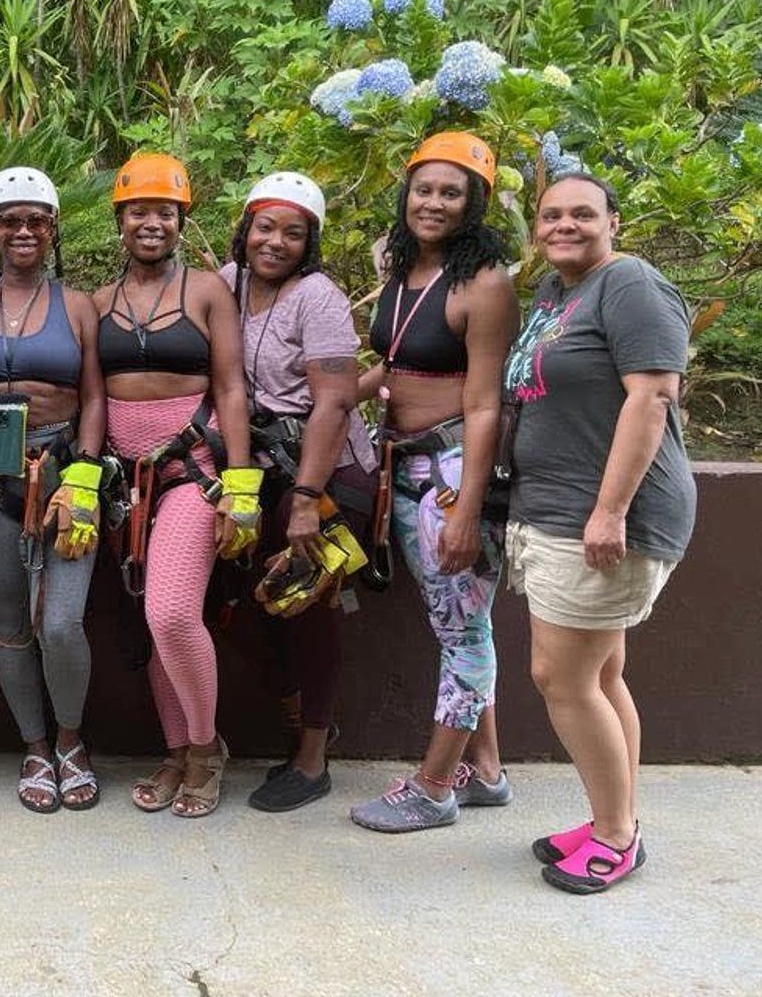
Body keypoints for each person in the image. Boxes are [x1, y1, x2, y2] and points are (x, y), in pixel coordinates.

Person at [504, 173, 695, 893]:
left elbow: (650, 398)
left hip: (606, 516)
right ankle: (613, 818)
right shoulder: (557, 295)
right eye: (551, 215)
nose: (564, 225)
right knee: (602, 675)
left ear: (614, 219)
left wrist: (610, 509)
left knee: (561, 677)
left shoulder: (631, 285)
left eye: (582, 213)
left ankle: (616, 836)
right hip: (559, 511)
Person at [350, 131, 519, 833]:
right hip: (403, 467)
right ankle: (486, 773)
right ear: (406, 192)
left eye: (452, 192)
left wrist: (467, 509)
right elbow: (393, 365)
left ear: (474, 203)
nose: (434, 203)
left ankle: (435, 786)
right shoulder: (396, 264)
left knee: (464, 638)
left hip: (451, 474)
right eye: (425, 188)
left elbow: (485, 404)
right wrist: (327, 397)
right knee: (459, 625)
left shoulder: (485, 283)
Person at [93, 152, 260, 819]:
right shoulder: (99, 303)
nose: (151, 222)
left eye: (164, 211)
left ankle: (205, 748)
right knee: (153, 624)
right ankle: (175, 750)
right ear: (121, 220)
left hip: (194, 471)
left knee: (170, 613)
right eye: (139, 211)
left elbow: (230, 387)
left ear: (181, 219)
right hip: (125, 483)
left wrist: (241, 488)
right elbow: (91, 398)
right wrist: (82, 478)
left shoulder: (207, 291)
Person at [217, 173, 378, 813]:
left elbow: (336, 398)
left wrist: (308, 497)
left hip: (326, 473)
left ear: (310, 242)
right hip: (258, 469)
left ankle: (312, 758)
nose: (275, 242)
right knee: (235, 597)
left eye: (293, 233)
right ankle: (302, 712)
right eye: (265, 227)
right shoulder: (227, 286)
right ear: (245, 229)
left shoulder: (318, 297)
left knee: (305, 603)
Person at [0, 167, 106, 813]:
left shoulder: (77, 305)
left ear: (51, 230)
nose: (23, 231)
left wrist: (86, 476)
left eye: (36, 220)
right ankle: (36, 746)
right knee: (11, 625)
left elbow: (95, 395)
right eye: (10, 220)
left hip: (63, 467)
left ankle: (73, 740)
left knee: (63, 622)